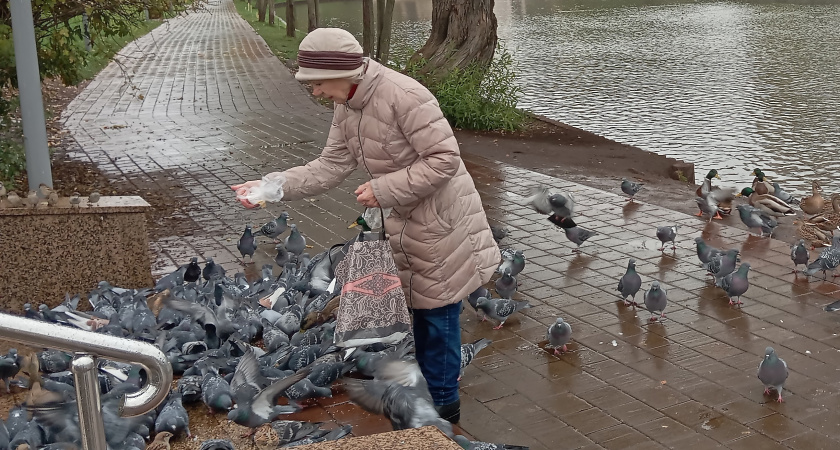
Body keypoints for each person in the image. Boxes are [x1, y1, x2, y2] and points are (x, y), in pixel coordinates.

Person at [231, 28, 500, 424]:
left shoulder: (406, 96)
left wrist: (383, 188)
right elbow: (330, 165)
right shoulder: (348, 105)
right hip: (404, 221)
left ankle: (444, 411)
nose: (316, 93)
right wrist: (272, 187)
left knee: (436, 315)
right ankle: (427, 396)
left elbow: (444, 160)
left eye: (319, 83)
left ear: (347, 72)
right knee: (418, 312)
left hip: (441, 222)